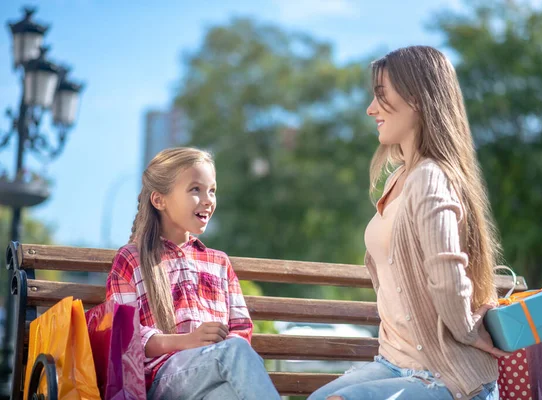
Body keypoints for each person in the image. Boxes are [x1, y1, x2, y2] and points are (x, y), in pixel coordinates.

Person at [308, 46, 510, 400]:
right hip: (393, 364)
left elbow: (447, 274)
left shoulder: (430, 178)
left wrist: (467, 333)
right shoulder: (398, 179)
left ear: (416, 99)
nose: (371, 109)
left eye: (381, 96)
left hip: (442, 376)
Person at [106, 147, 280, 400]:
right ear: (159, 200)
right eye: (195, 189)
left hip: (213, 376)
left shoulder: (219, 262)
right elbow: (125, 337)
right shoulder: (131, 259)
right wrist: (188, 341)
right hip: (161, 381)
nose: (208, 200)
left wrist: (219, 347)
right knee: (233, 351)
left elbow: (241, 329)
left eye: (212, 190)